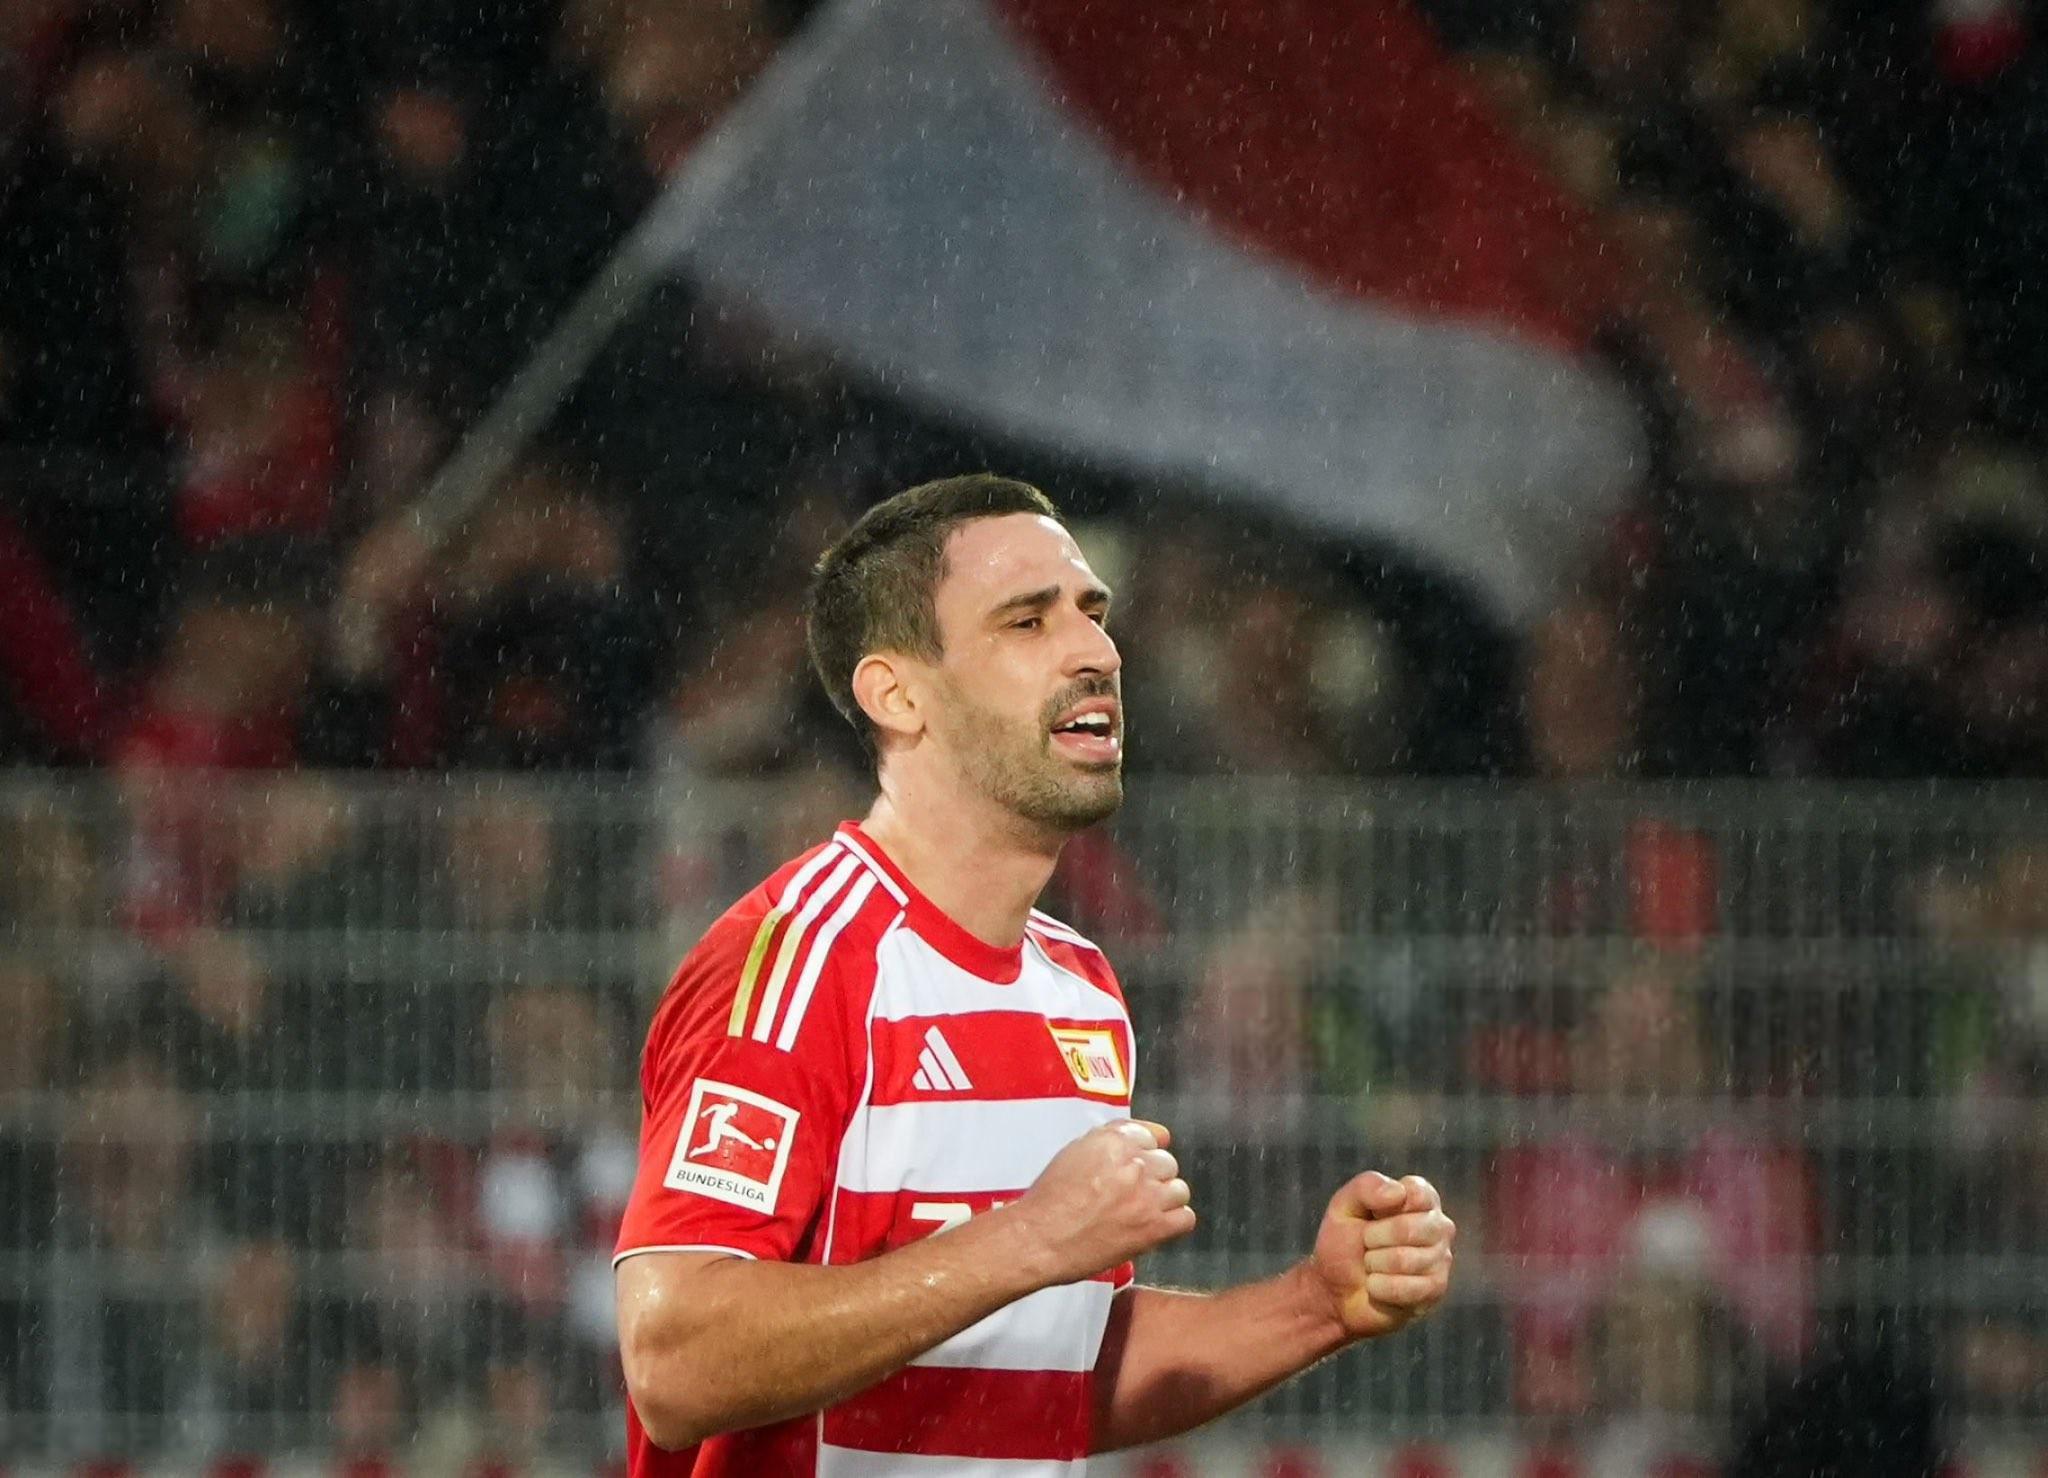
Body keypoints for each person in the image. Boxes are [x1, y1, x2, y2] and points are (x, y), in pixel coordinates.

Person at [613, 475, 1457, 1476]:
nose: (1095, 650)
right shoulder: (802, 957)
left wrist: (1314, 1305)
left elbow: (1047, 1374)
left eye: (1092, 612)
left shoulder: (1079, 987)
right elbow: (676, 1361)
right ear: (897, 694)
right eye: (1027, 620)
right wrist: (1028, 1238)